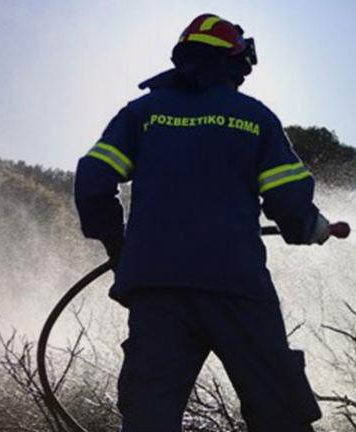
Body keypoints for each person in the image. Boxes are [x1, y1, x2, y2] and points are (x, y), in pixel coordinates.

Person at [75, 13, 334, 432]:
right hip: (236, 285)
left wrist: (119, 248)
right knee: (279, 413)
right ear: (237, 62)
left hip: (156, 290)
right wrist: (309, 227)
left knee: (148, 419)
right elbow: (287, 198)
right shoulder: (253, 117)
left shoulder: (142, 113)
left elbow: (92, 181)